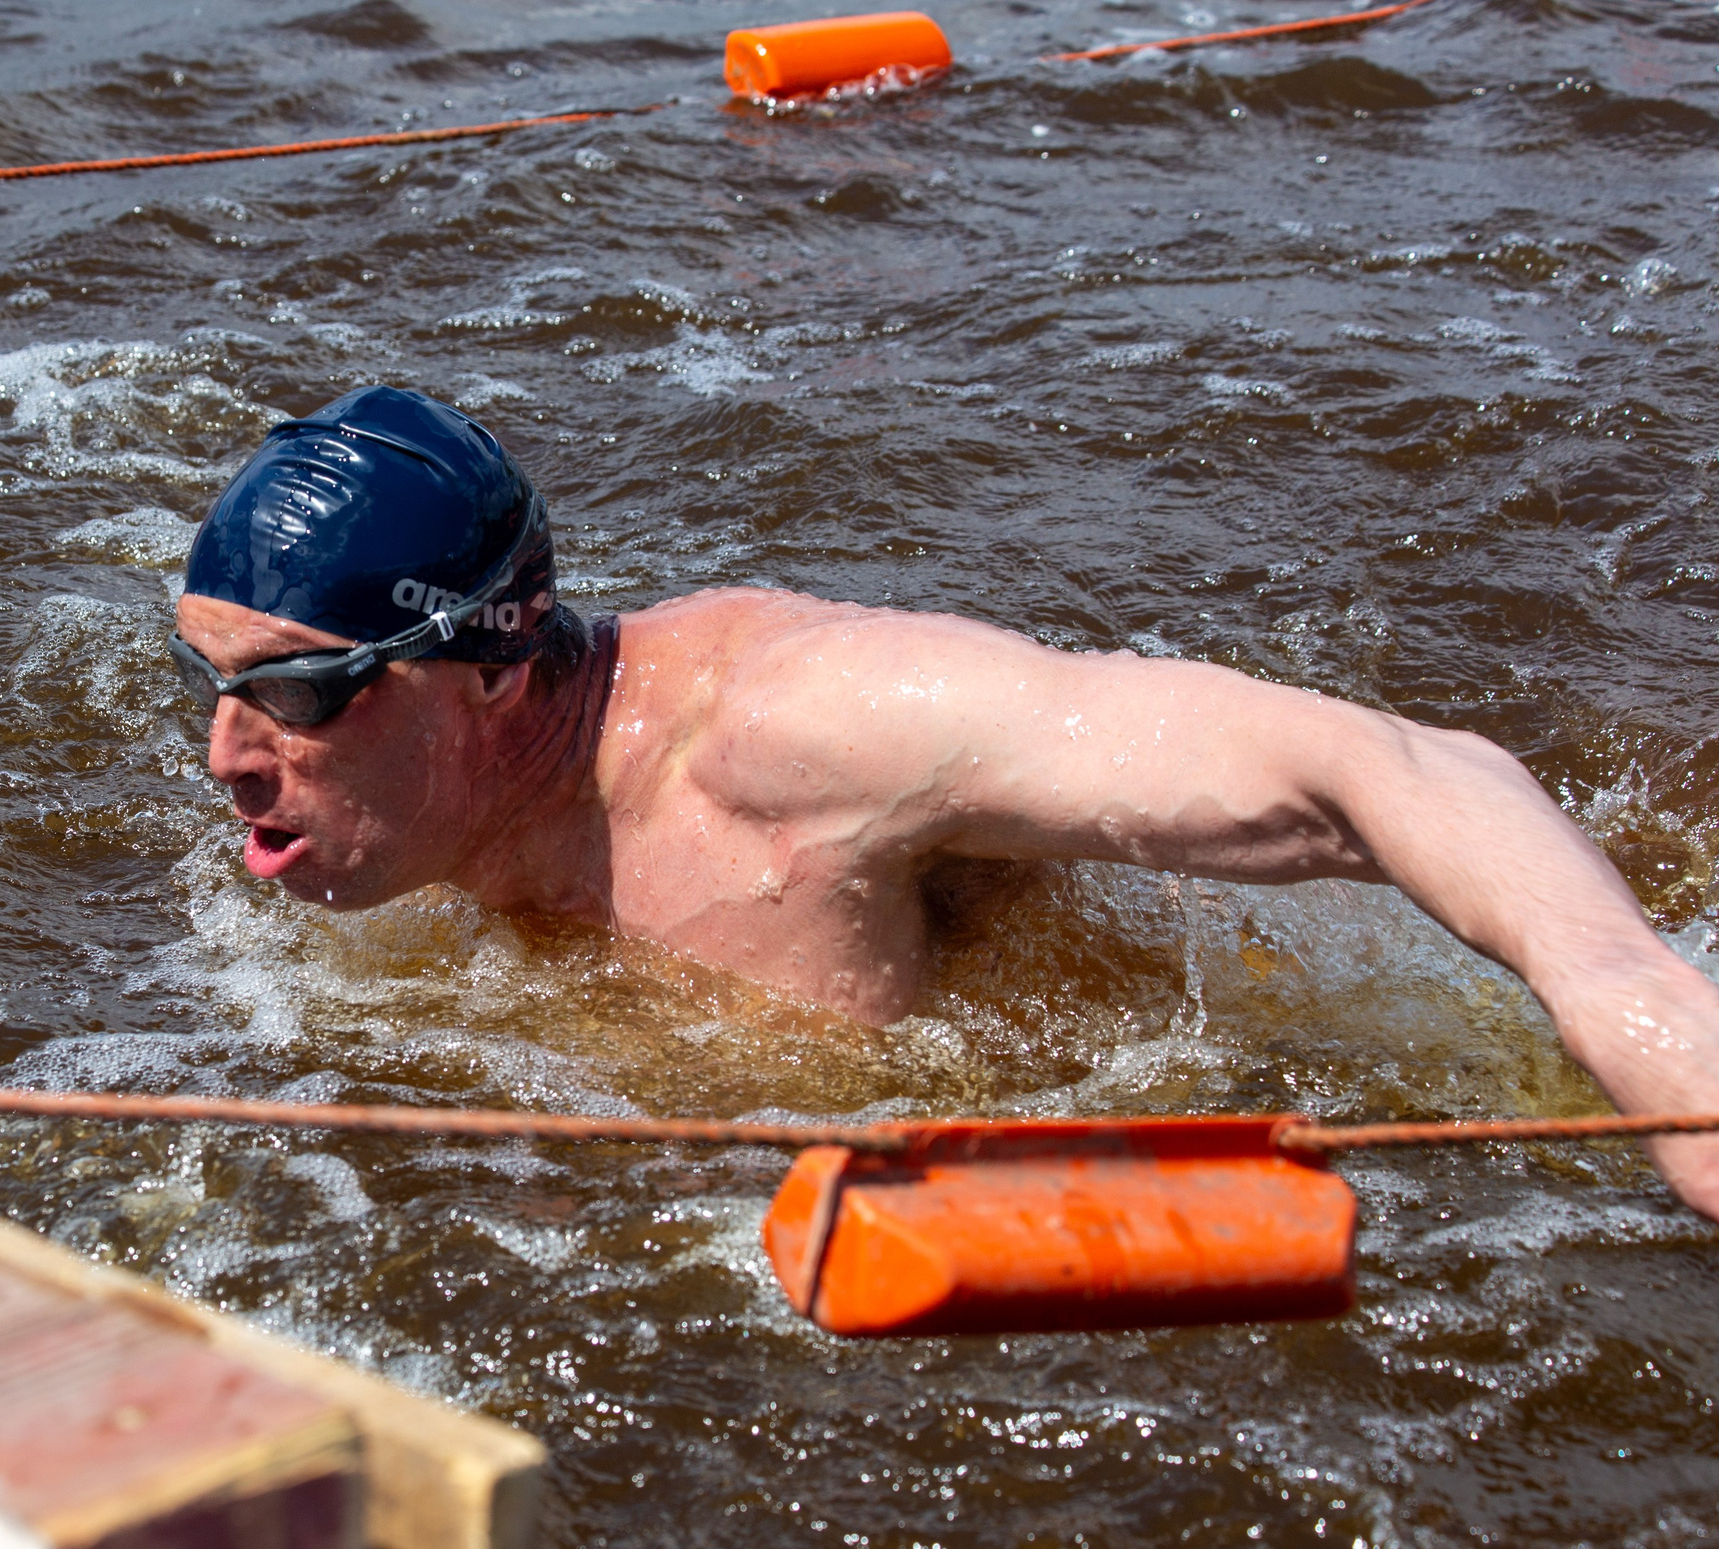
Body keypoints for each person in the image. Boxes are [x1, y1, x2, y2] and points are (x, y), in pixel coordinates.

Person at [169, 385, 1719, 1220]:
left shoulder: (795, 734)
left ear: (490, 669)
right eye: (210, 682)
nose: (229, 754)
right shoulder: (387, 810)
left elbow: (1379, 765)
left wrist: (1630, 998)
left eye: (297, 692)